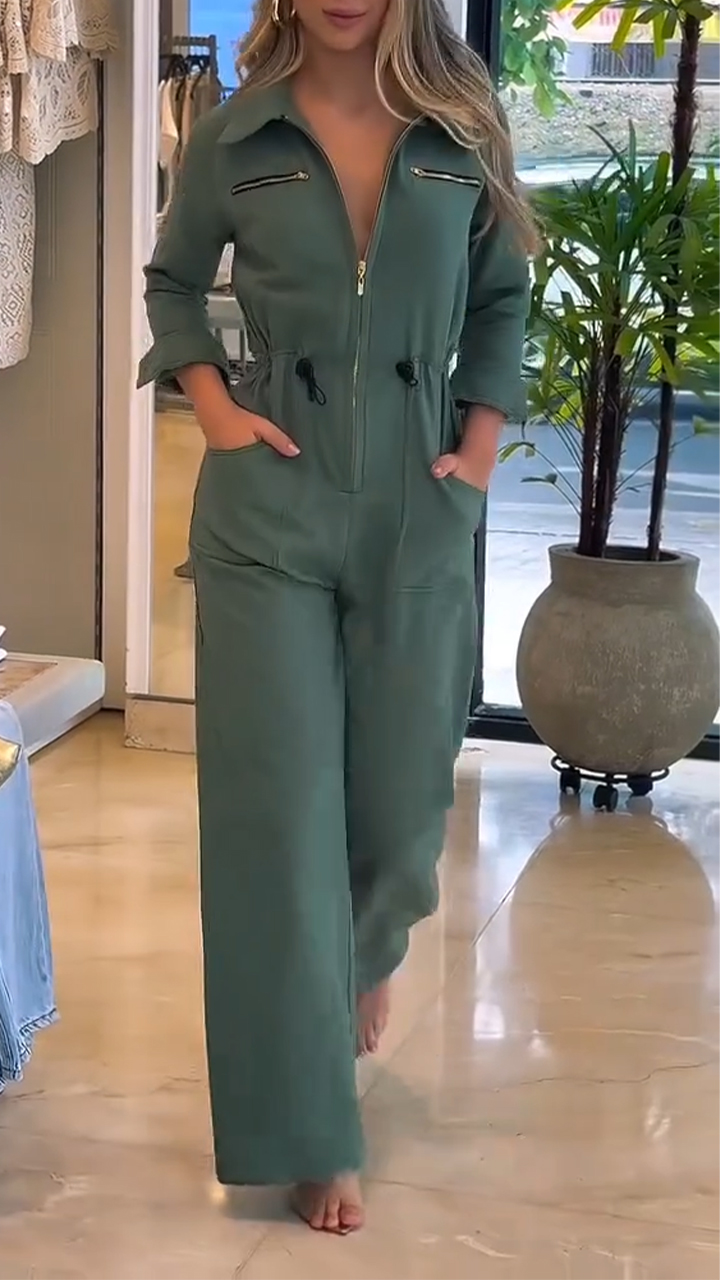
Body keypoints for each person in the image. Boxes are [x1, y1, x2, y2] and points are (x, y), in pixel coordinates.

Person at [138, 0, 534, 1236]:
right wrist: (213, 410)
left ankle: (365, 951)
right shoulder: (238, 130)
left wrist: (477, 454)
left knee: (405, 811)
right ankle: (311, 1129)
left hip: (420, 503)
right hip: (271, 509)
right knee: (278, 820)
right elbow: (172, 280)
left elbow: (502, 299)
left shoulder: (460, 125)